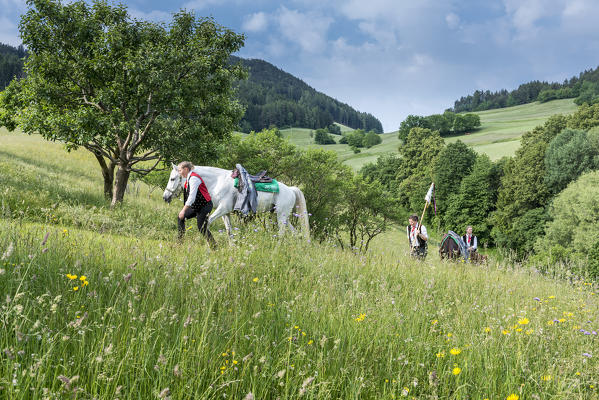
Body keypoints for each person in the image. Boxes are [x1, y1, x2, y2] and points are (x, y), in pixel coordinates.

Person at [177, 161, 216, 247]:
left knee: (201, 228)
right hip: (197, 206)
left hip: (205, 206)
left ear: (186, 169)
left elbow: (192, 197)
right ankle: (180, 243)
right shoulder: (189, 178)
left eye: (180, 170)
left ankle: (214, 246)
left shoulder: (194, 178)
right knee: (180, 217)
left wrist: (183, 210)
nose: (179, 172)